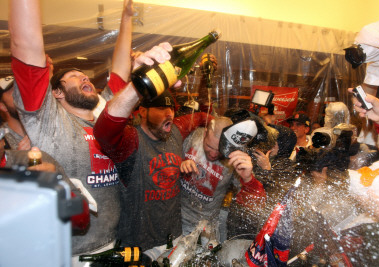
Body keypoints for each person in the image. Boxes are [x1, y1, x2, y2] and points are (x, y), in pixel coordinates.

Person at [8, 0, 164, 259]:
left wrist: (126, 18)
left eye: (86, 76)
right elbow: (25, 48)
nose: (84, 77)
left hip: (116, 244)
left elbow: (119, 69)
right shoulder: (49, 120)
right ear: (56, 92)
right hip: (69, 254)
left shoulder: (104, 111)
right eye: (74, 76)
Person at [93, 81, 211, 260]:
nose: (169, 113)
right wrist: (136, 87)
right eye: (162, 108)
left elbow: (202, 116)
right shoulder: (132, 139)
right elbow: (104, 133)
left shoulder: (175, 132)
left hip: (173, 237)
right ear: (143, 111)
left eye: (171, 108)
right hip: (138, 247)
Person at [180, 116, 264, 240]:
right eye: (209, 146)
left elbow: (254, 205)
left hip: (206, 226)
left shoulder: (235, 156)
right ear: (204, 134)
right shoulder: (193, 136)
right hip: (177, 217)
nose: (213, 154)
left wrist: (248, 179)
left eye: (219, 149)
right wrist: (179, 165)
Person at [0, 76, 31, 150]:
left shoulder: (42, 125)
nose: (22, 97)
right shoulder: (2, 137)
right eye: (15, 94)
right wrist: (19, 157)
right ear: (2, 106)